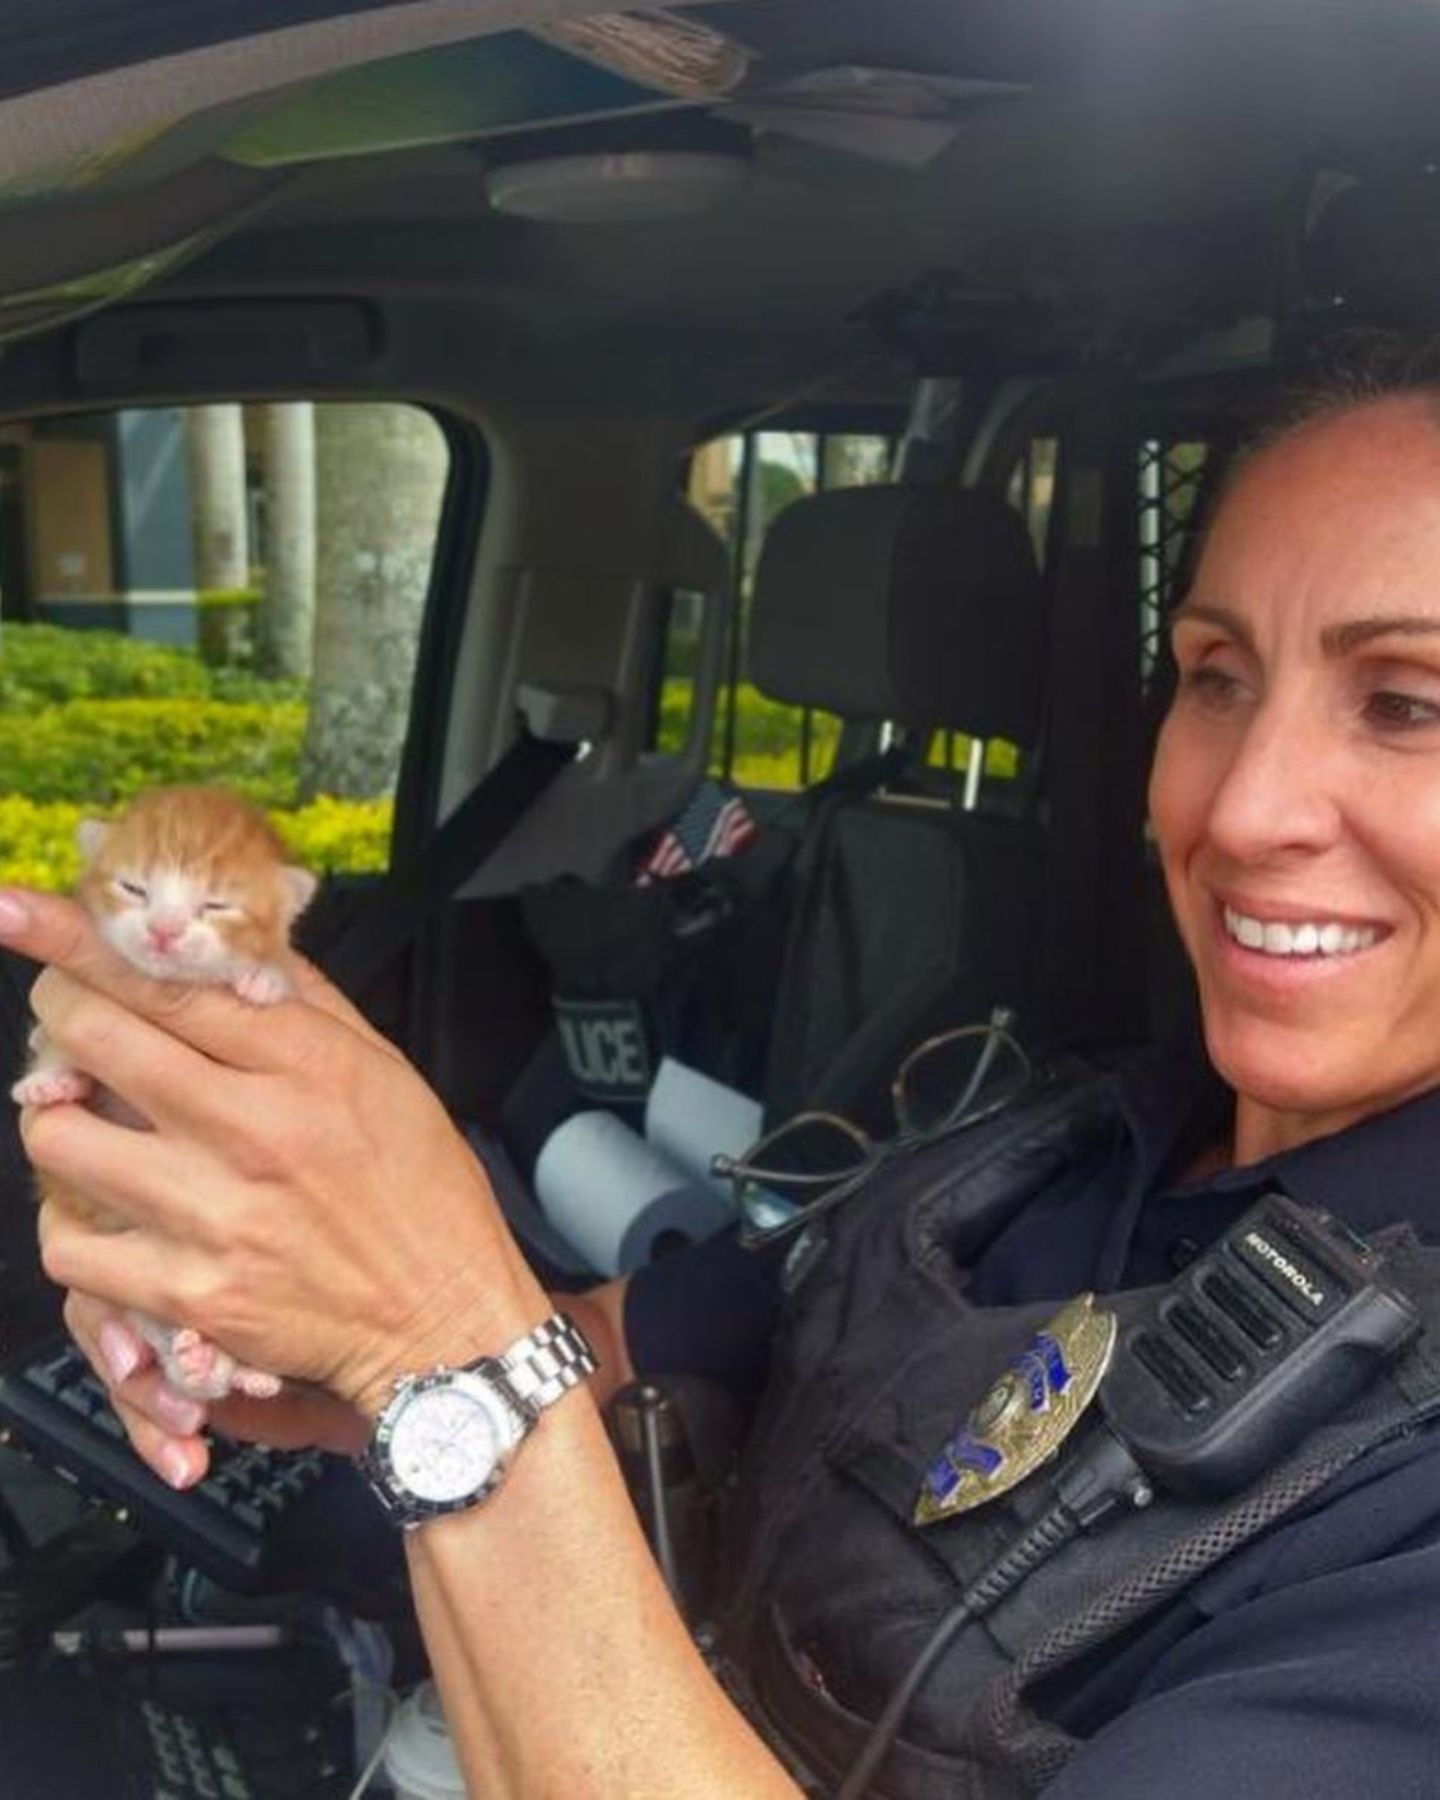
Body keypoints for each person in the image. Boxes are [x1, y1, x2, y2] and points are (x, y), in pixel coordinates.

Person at [17, 350, 1440, 1797]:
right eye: (1217, 676)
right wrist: (304, 1334)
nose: (1245, 805)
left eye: (1410, 704)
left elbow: (474, 1351)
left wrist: (440, 1352)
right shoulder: (1060, 1147)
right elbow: (632, 1341)